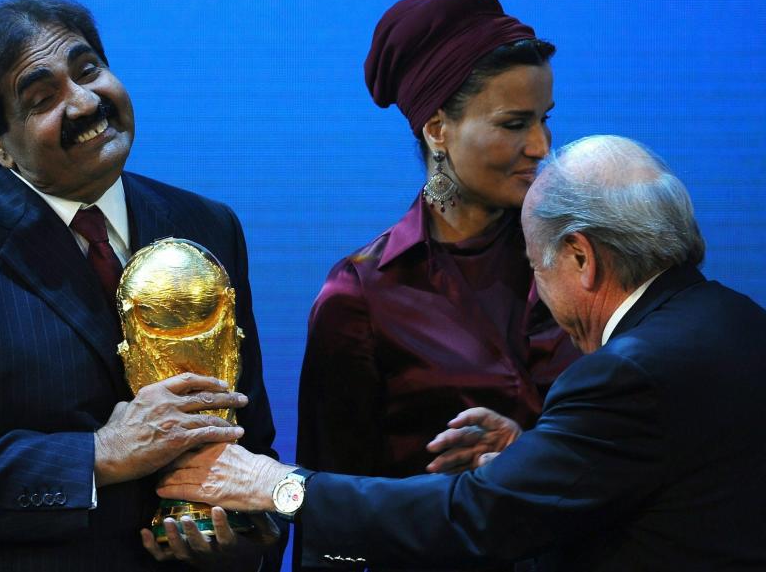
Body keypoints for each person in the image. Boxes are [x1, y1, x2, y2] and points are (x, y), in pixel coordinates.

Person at [159, 135, 766, 570]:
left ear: (581, 259)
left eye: (535, 265)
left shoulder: (624, 373)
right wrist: (540, 458)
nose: (534, 289)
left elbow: (477, 518)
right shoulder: (738, 320)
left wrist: (281, 485)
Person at [0, 0, 283, 572]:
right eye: (42, 98)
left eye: (90, 69)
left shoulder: (206, 225)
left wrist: (245, 541)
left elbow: (248, 434)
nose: (86, 101)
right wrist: (100, 456)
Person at [295, 0, 579, 567]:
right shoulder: (359, 297)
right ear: (436, 129)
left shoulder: (584, 256)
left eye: (545, 120)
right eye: (513, 123)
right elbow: (330, 512)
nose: (542, 146)